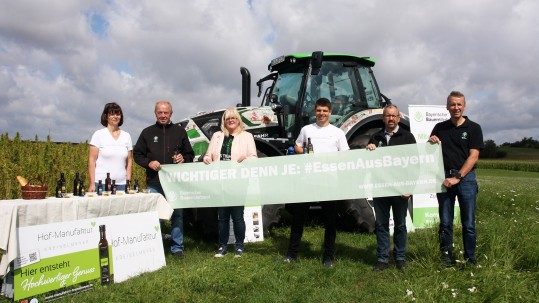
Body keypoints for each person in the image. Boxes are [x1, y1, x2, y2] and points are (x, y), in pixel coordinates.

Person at [280, 98, 350, 268]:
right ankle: (291, 255)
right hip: (307, 180)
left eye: (325, 111)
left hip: (329, 181)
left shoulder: (338, 133)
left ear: (330, 113)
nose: (321, 114)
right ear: (315, 112)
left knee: (330, 221)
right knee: (298, 218)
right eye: (319, 110)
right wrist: (304, 150)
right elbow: (297, 147)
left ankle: (328, 257)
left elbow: (346, 154)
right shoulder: (306, 130)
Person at [428, 91, 484, 267]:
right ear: (447, 107)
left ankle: (470, 260)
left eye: (459, 104)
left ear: (464, 106)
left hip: (465, 180)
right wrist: (431, 141)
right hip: (444, 178)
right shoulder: (440, 127)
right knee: (445, 223)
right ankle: (446, 259)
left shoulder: (474, 128)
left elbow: (474, 156)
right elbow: (431, 151)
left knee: (468, 223)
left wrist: (458, 177)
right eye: (452, 104)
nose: (456, 108)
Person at [133, 100, 195, 258]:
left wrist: (184, 158)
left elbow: (190, 154)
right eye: (159, 112)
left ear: (171, 114)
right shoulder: (147, 132)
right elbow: (137, 154)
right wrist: (148, 162)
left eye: (165, 112)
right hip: (154, 181)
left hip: (176, 183)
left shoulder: (180, 132)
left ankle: (177, 247)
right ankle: (154, 246)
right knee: (155, 215)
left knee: (177, 215)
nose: (163, 115)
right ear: (155, 114)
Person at [366, 105, 416, 271]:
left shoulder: (408, 137)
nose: (391, 119)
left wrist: (410, 187)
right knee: (381, 225)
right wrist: (369, 150)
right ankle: (382, 258)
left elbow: (415, 164)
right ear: (383, 118)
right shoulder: (375, 137)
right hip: (381, 188)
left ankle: (400, 257)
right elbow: (368, 163)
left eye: (394, 116)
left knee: (400, 224)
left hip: (401, 189)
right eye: (388, 116)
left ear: (398, 118)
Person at [203, 108, 257, 258]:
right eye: (227, 118)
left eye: (233, 118)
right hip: (220, 182)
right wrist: (207, 158)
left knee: (238, 216)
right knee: (223, 216)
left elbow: (253, 157)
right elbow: (208, 155)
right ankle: (222, 246)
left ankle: (239, 246)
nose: (231, 120)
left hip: (238, 182)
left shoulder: (247, 136)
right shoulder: (217, 136)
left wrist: (245, 159)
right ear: (224, 121)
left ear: (238, 120)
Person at [88, 102, 133, 192]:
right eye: (112, 114)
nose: (115, 116)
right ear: (106, 116)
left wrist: (128, 182)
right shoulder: (98, 135)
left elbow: (129, 162)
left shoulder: (126, 136)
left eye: (118, 114)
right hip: (101, 184)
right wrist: (92, 184)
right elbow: (91, 161)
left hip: (121, 184)